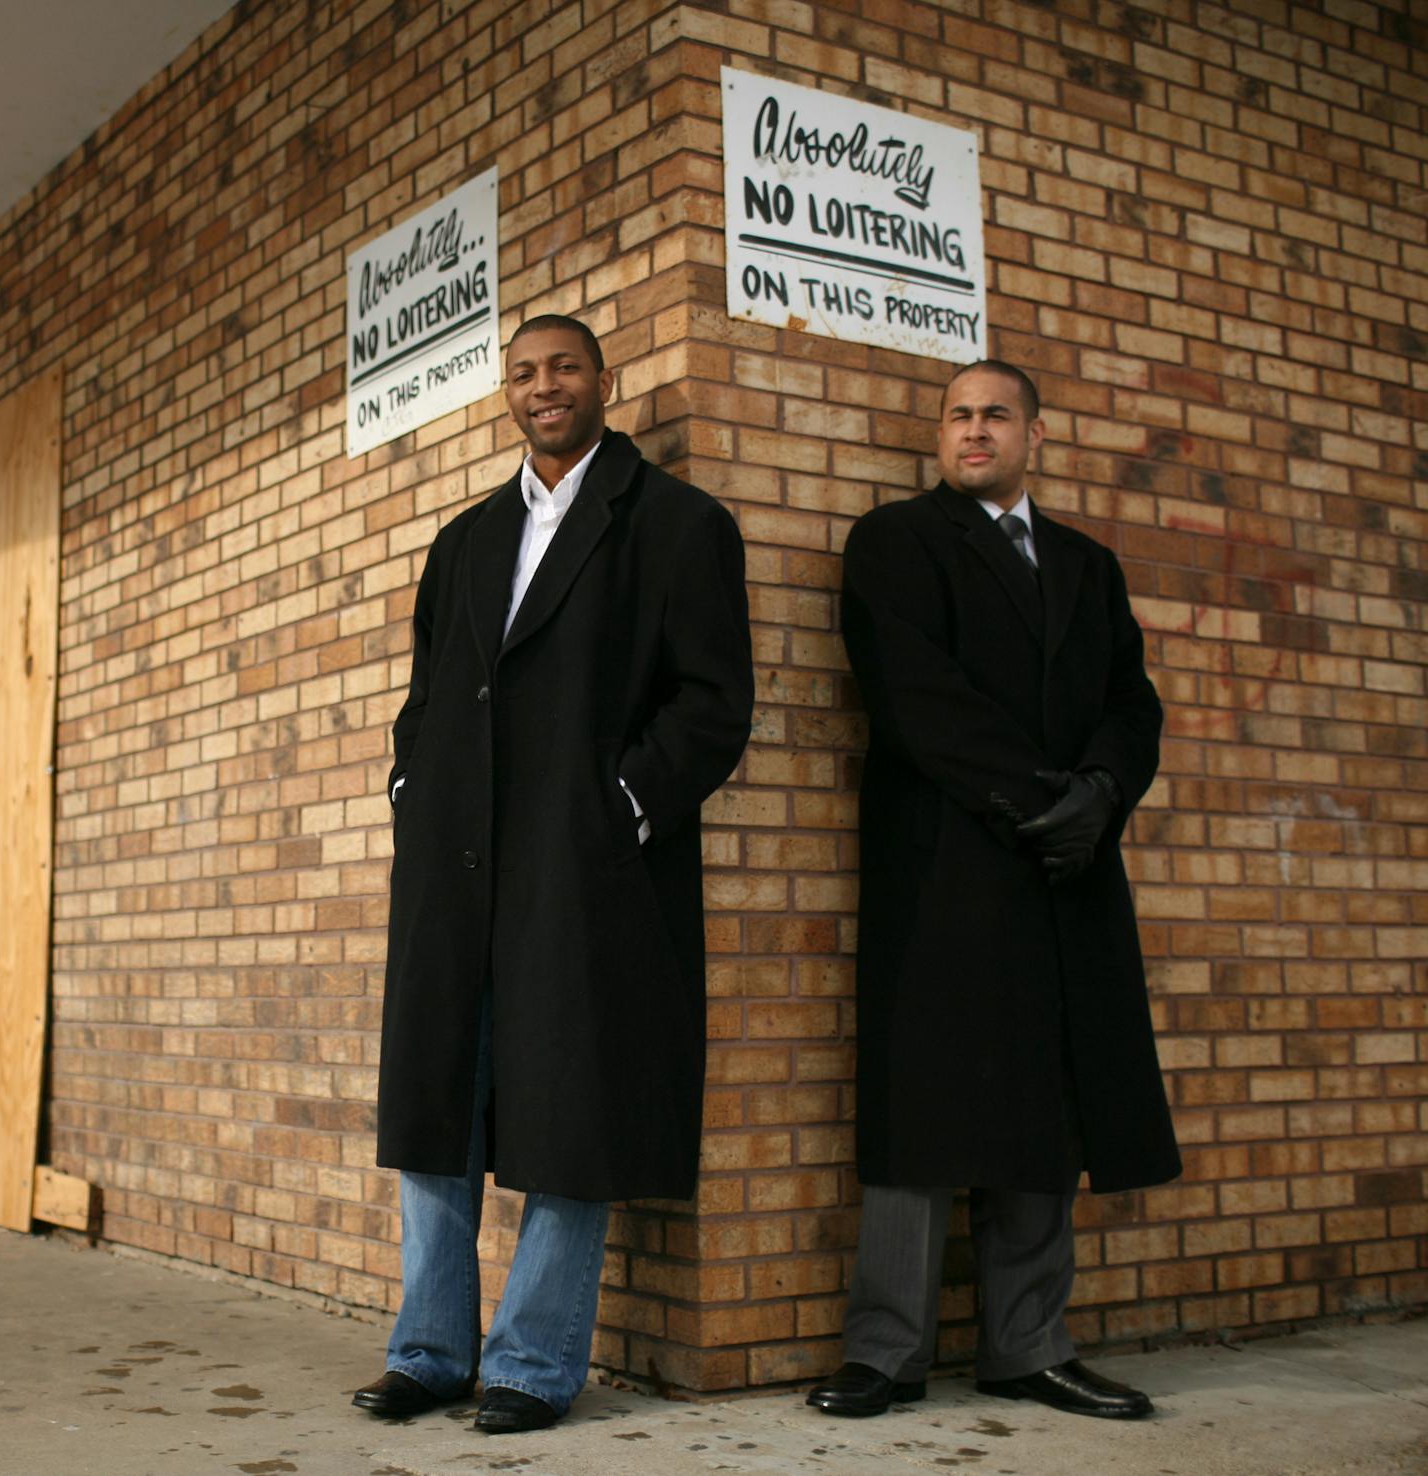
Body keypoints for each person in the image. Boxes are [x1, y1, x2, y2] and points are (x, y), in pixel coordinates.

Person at [352, 315, 753, 1434]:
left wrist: (621, 807)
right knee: (438, 1103)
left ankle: (530, 1365)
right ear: (506, 391)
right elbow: (427, 695)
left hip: (583, 876)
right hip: (457, 868)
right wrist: (409, 790)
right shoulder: (466, 540)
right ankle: (429, 1352)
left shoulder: (676, 526)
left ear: (602, 382)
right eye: (524, 372)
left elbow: (716, 703)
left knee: (571, 1110)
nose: (544, 387)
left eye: (563, 368)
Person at [808, 359, 1180, 1421]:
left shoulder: (1086, 565)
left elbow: (1130, 699)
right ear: (941, 434)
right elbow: (917, 698)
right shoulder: (896, 543)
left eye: (995, 415)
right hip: (946, 864)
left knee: (1045, 1109)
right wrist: (1040, 801)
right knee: (922, 1108)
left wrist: (1103, 792)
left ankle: (1028, 1344)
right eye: (958, 416)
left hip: (1068, 873)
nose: (975, 431)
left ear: (1035, 435)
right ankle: (885, 1353)